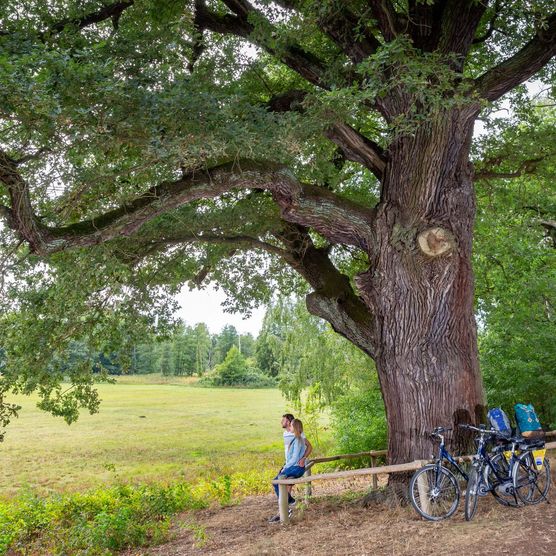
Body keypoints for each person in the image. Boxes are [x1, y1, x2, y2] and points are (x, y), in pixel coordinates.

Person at [269, 418, 311, 523]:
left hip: (295, 467)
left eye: (291, 426)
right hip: (295, 466)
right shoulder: (297, 438)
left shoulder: (298, 439)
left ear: (295, 427)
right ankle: (288, 502)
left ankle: (288, 504)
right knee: (278, 481)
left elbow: (295, 458)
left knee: (276, 481)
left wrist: (285, 467)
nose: (290, 427)